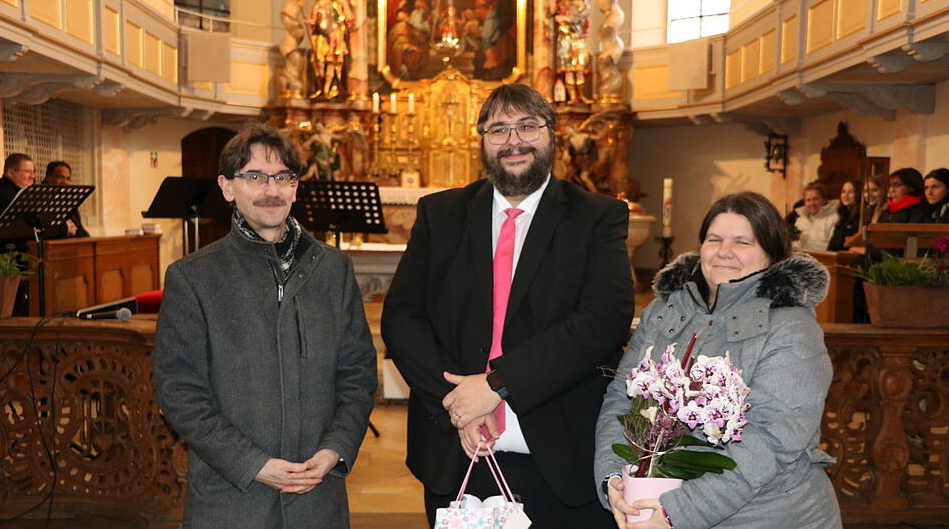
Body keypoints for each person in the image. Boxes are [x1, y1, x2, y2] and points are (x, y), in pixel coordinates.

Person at [381, 83, 634, 527]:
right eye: (498, 129)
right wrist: (456, 403)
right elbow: (402, 317)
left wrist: (497, 386)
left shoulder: (596, 216)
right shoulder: (440, 214)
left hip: (560, 457)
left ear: (552, 133)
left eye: (527, 126)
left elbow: (602, 321)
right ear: (482, 140)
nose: (514, 141)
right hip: (457, 452)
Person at [153, 123, 377, 528]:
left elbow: (358, 374)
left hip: (317, 498)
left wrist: (335, 449)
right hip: (232, 499)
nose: (270, 190)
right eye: (254, 177)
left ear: (295, 187)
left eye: (282, 177)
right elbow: (179, 391)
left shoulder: (334, 269)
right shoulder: (193, 277)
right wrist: (252, 464)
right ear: (227, 187)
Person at [595, 192, 841, 529]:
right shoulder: (665, 310)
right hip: (657, 506)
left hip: (766, 514)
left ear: (771, 254)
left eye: (742, 242)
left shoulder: (791, 327)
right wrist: (613, 478)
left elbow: (771, 441)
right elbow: (620, 399)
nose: (725, 251)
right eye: (714, 239)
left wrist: (677, 512)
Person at [0, 153, 36, 253]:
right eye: (27, 172)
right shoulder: (4, 196)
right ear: (11, 173)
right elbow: (24, 228)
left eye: (33, 172)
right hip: (10, 257)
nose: (32, 176)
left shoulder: (22, 194)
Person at [43, 161, 90, 238]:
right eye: (60, 177)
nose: (65, 182)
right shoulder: (39, 199)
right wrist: (65, 229)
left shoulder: (68, 201)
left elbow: (79, 229)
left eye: (68, 179)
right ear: (48, 178)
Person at [793, 181, 839, 251]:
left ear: (824, 200)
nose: (812, 203)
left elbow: (833, 246)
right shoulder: (800, 220)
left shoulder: (834, 219)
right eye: (808, 200)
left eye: (816, 199)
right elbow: (794, 243)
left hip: (823, 257)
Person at [828, 179, 861, 251]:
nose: (845, 195)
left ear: (859, 194)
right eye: (843, 191)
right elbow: (833, 244)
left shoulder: (861, 218)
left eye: (850, 192)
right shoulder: (844, 215)